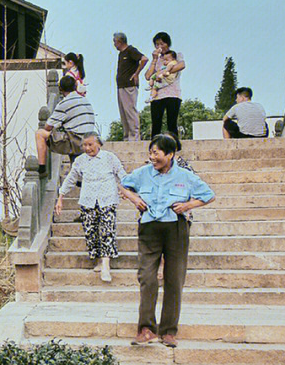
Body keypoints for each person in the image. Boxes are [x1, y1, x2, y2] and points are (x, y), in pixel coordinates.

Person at [120, 134, 214, 347]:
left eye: (157, 153)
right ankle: (146, 328)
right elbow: (123, 185)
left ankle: (169, 331)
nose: (152, 157)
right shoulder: (142, 173)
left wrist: (188, 206)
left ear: (170, 154)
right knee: (146, 276)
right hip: (149, 227)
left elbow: (209, 195)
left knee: (174, 279)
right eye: (150, 152)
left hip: (176, 228)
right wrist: (134, 198)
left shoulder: (185, 176)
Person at [54, 133, 125, 282]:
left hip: (107, 198)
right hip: (88, 200)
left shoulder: (109, 157)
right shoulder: (80, 161)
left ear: (98, 144)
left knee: (107, 230)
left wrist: (126, 189)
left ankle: (106, 264)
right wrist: (61, 196)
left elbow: (121, 174)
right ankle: (99, 260)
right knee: (90, 232)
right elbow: (71, 178)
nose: (87, 148)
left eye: (90, 145)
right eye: (84, 145)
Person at [35, 76, 99, 172]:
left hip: (76, 141)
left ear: (60, 89)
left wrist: (58, 125)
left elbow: (48, 126)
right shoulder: (85, 100)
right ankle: (78, 177)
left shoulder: (64, 104)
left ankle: (42, 167)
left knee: (40, 133)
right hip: (90, 138)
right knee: (69, 132)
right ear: (75, 86)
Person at [145, 33, 185, 141]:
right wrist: (154, 60)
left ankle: (175, 147)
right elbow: (148, 76)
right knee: (156, 124)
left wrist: (162, 72)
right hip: (158, 95)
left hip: (173, 94)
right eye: (157, 44)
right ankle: (154, 148)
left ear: (168, 43)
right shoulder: (157, 60)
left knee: (171, 123)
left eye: (162, 44)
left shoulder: (176, 55)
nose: (160, 47)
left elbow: (181, 65)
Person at [114, 33, 148, 141]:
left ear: (119, 41)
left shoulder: (131, 50)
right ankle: (127, 136)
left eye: (115, 42)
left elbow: (144, 59)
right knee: (123, 112)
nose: (114, 44)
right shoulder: (121, 54)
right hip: (121, 85)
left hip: (129, 85)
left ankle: (134, 136)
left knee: (130, 110)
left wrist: (136, 73)